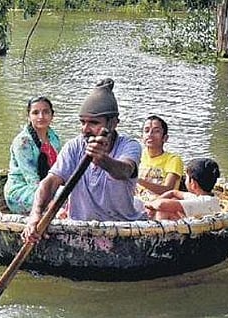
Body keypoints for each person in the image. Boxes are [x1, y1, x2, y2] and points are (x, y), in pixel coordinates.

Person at [21, 78, 145, 244]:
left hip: (122, 228)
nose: (85, 129)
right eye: (83, 122)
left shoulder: (129, 146)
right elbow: (50, 182)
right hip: (79, 227)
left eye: (94, 123)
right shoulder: (75, 146)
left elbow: (125, 170)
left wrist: (102, 160)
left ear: (113, 123)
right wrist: (36, 214)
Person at [4, 96, 61, 214]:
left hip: (45, 186)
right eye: (35, 113)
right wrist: (49, 203)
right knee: (60, 203)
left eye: (45, 112)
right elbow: (32, 180)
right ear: (29, 116)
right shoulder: (23, 142)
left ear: (52, 115)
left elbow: (58, 169)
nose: (41, 116)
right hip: (22, 190)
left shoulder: (53, 137)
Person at [144, 158, 221, 220]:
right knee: (174, 199)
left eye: (187, 178)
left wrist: (149, 204)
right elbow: (174, 192)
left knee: (164, 211)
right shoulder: (199, 197)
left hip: (198, 234)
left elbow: (161, 205)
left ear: (193, 184)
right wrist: (156, 200)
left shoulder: (204, 201)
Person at [136, 115, 184, 198]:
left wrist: (138, 181)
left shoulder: (173, 160)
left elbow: (168, 189)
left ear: (165, 138)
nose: (150, 135)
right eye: (147, 131)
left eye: (156, 131)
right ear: (142, 137)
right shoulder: (138, 156)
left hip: (160, 206)